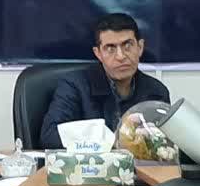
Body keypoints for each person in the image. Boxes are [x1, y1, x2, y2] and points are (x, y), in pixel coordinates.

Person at [39, 14, 170, 150]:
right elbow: (50, 136)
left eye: (127, 45)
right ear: (98, 53)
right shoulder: (75, 86)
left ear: (140, 47)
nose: (120, 56)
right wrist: (110, 140)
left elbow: (167, 144)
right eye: (110, 48)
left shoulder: (157, 92)